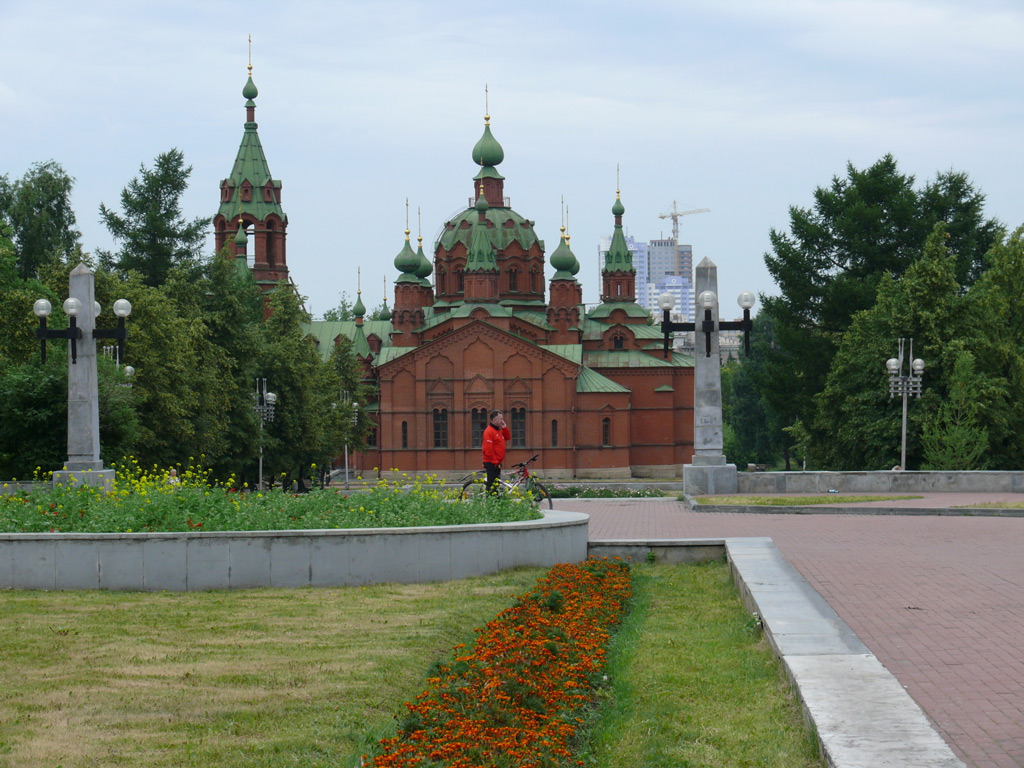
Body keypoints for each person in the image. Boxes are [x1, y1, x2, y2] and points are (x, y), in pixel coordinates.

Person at [481, 409, 511, 495]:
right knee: (491, 486)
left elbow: (507, 437)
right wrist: (495, 462)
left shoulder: (498, 430)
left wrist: (505, 427)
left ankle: (495, 503)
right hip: (491, 462)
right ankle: (489, 504)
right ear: (494, 420)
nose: (502, 421)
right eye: (500, 419)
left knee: (496, 485)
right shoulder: (489, 431)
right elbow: (488, 450)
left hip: (497, 462)